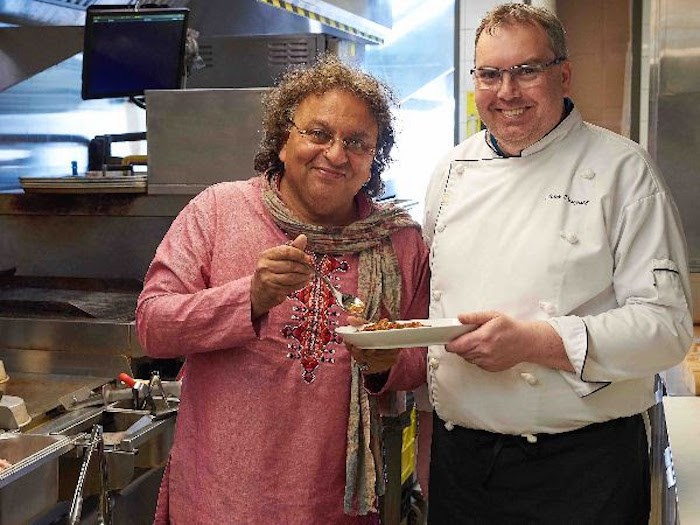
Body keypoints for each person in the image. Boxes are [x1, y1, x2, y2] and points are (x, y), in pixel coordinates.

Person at [421, 4, 693, 524]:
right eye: (490, 74)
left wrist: (533, 342)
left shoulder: (622, 171)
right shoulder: (450, 171)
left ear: (563, 74)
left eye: (526, 70)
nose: (507, 93)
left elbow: (666, 328)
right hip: (463, 466)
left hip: (582, 469)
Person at [136, 54, 430, 524]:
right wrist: (247, 299)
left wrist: (387, 363)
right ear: (282, 141)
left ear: (374, 160)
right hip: (221, 498)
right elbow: (153, 326)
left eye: (357, 142)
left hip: (337, 504)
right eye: (318, 133)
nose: (336, 154)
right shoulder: (217, 212)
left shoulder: (398, 241)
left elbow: (423, 354)